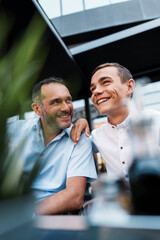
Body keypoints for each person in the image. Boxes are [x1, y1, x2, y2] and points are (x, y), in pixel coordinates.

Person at [7, 77, 97, 215]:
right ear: (37, 109)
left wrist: (22, 215)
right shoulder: (15, 131)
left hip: (53, 219)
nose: (66, 107)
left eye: (68, 100)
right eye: (56, 102)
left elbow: (74, 197)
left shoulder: (80, 139)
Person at [71, 62, 160, 182]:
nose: (96, 91)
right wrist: (80, 121)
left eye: (106, 82)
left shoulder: (156, 121)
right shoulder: (96, 137)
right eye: (93, 88)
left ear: (129, 87)